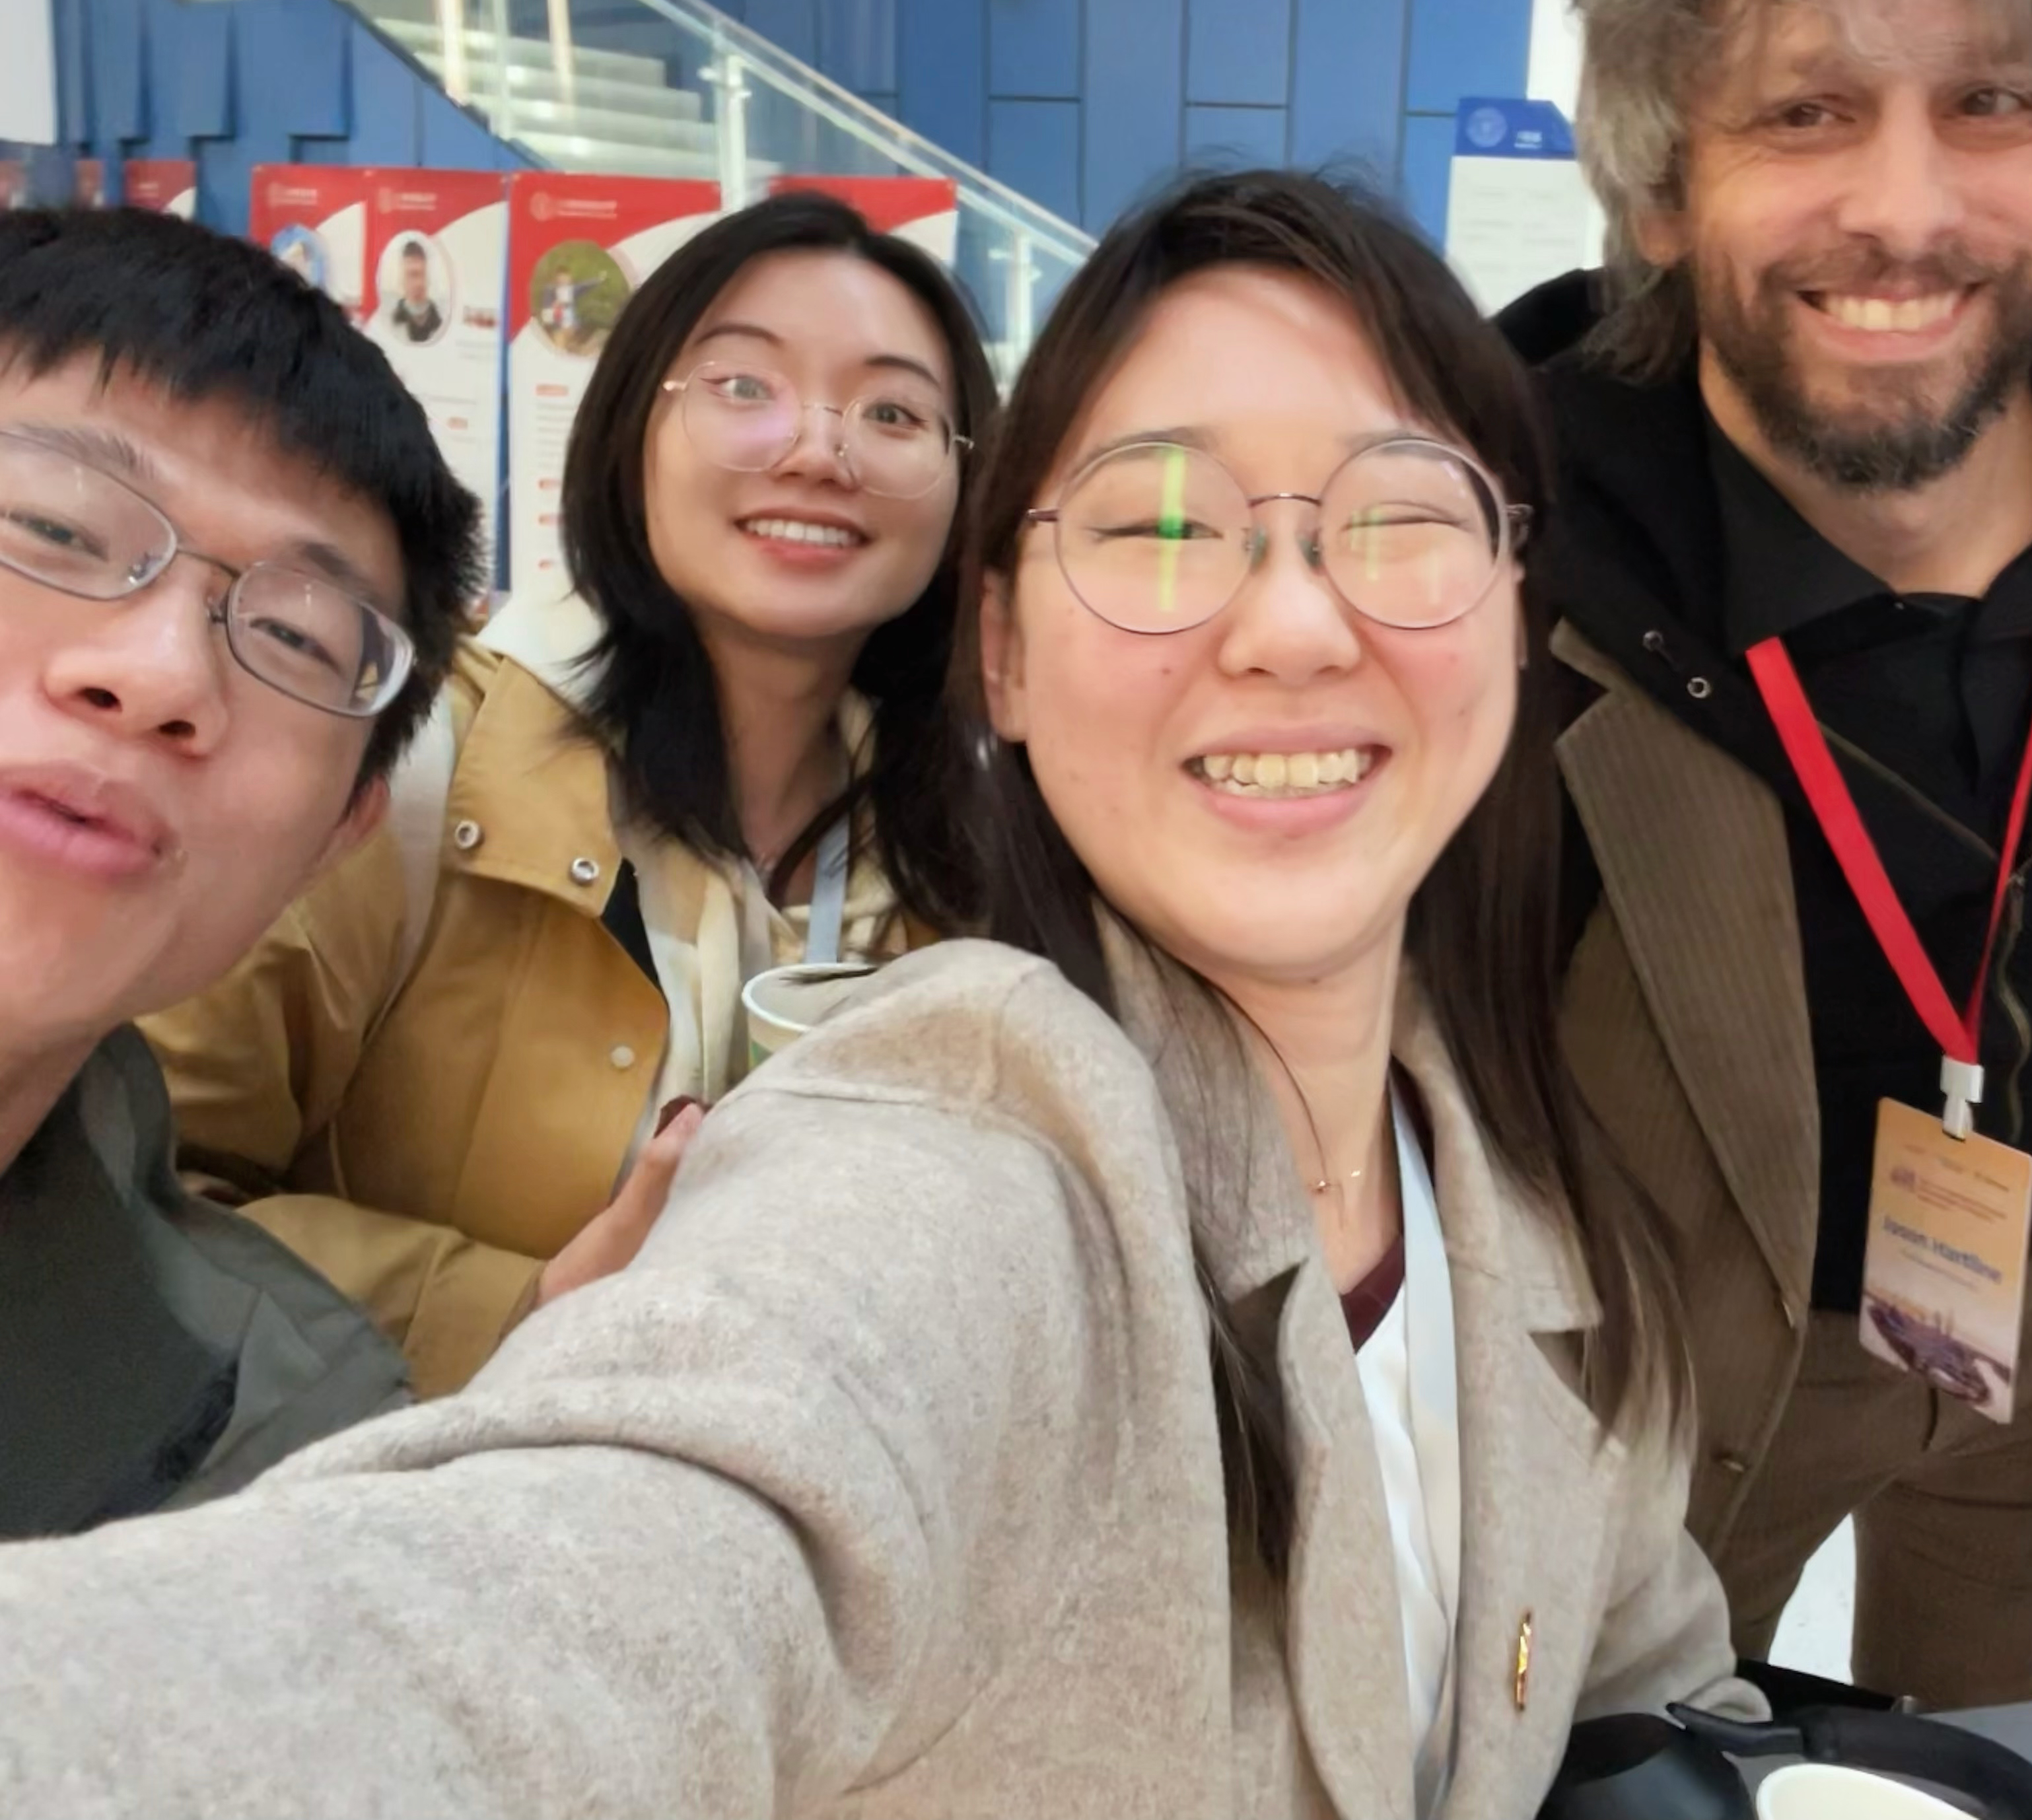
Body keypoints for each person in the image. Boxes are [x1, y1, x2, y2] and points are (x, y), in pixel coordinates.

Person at [0, 170, 1758, 1817]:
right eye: (1160, 524)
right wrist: (530, 1304)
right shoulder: (953, 1123)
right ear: (1011, 640)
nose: (1293, 625)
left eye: (1401, 520)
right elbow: (583, 1579)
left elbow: (1645, 1662)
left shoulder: (1499, 1177)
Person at [1499, 0, 2032, 1704]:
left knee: (1983, 1765)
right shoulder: (1499, 561)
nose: (1905, 211)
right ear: (1664, 184)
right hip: (1674, 1415)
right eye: (1805, 110)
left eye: (1994, 100)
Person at [143, 191, 993, 1398]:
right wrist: (527, 1311)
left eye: (893, 412)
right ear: (629, 431)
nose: (820, 450)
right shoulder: (411, 766)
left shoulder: (967, 846)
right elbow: (136, 1196)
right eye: (744, 385)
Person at [0, 206, 481, 1535]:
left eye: (296, 636)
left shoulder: (283, 1449)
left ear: (341, 832)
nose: (160, 674)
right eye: (54, 529)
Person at [390, 240, 444, 345]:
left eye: (422, 274)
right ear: (402, 279)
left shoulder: (442, 325)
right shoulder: (391, 324)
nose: (418, 283)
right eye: (412, 275)